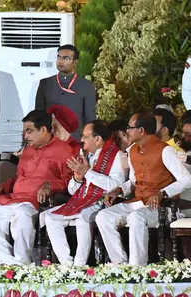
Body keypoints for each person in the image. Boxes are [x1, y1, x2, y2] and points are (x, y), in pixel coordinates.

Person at [0, 110, 73, 265]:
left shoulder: (63, 150)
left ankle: (23, 262)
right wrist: (2, 187)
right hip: (14, 198)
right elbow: (18, 177)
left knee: (22, 214)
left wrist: (49, 185)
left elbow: (69, 182)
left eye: (29, 132)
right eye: (24, 132)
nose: (25, 136)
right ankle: (8, 261)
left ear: (43, 130)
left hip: (35, 201)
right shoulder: (28, 149)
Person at [100, 113, 191, 265]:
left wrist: (162, 193)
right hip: (138, 202)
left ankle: (137, 268)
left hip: (163, 207)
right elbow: (134, 180)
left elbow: (187, 179)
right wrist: (119, 190)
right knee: (103, 216)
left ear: (141, 131)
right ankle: (121, 265)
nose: (127, 131)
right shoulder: (133, 151)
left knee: (136, 217)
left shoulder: (165, 150)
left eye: (130, 128)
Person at [42, 120, 126, 265]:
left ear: (98, 139)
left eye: (85, 136)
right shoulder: (87, 156)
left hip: (101, 203)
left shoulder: (116, 156)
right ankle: (67, 264)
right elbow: (73, 190)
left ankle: (80, 265)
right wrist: (78, 178)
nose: (81, 140)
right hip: (81, 201)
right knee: (50, 217)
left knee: (83, 217)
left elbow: (116, 186)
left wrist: (88, 172)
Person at [35, 44, 96, 140]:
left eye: (66, 58)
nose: (61, 61)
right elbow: (38, 116)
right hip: (50, 140)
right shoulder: (45, 83)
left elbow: (90, 119)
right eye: (59, 57)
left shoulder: (86, 86)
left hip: (75, 141)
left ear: (75, 62)